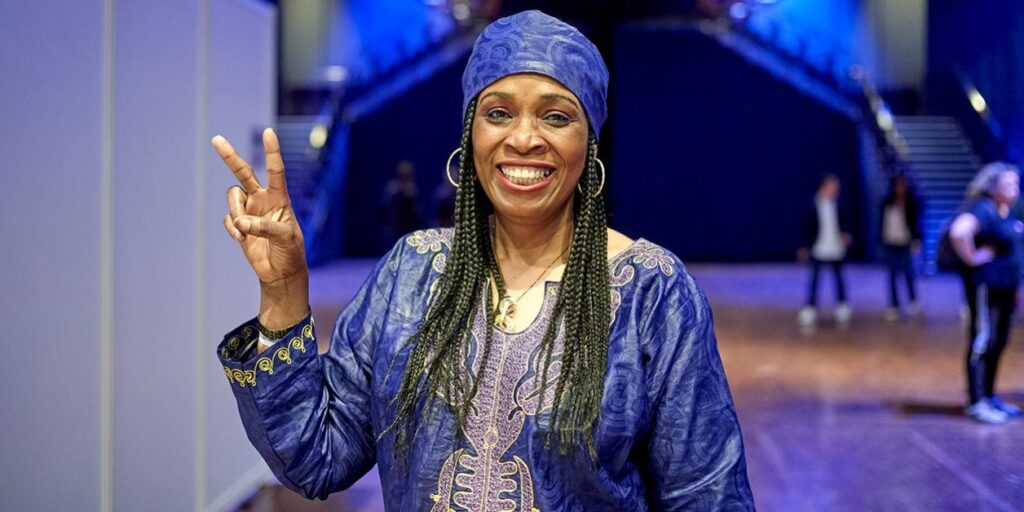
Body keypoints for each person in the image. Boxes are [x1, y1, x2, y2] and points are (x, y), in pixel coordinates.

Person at [212, 10, 754, 511]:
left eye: (556, 116)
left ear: (589, 142)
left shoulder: (652, 293)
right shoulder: (411, 273)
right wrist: (284, 290)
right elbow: (316, 457)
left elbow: (708, 497)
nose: (524, 138)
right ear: (471, 133)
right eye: (498, 113)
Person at [949, 162, 1023, 425]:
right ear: (993, 187)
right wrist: (972, 257)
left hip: (1006, 288)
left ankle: (989, 396)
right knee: (982, 340)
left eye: (1016, 183)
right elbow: (959, 231)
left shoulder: (1008, 212)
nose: (1014, 188)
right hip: (985, 286)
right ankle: (976, 402)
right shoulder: (983, 209)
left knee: (999, 341)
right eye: (1008, 184)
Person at [797, 174, 853, 326]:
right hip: (819, 247)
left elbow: (846, 224)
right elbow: (806, 227)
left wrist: (846, 235)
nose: (835, 189)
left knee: (839, 278)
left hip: (836, 247)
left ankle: (842, 306)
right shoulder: (812, 204)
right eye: (833, 186)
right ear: (824, 186)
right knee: (815, 280)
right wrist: (804, 247)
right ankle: (810, 308)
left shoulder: (840, 204)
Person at [879, 175, 922, 320]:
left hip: (905, 242)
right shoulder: (886, 203)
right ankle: (894, 305)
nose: (900, 189)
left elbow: (916, 224)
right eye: (897, 186)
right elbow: (882, 223)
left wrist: (916, 240)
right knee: (892, 275)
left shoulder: (911, 204)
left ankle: (913, 301)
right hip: (890, 242)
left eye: (902, 185)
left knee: (908, 272)